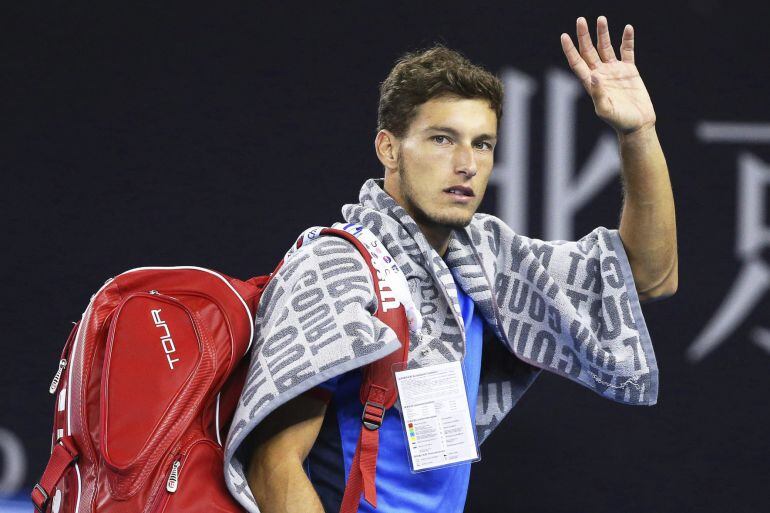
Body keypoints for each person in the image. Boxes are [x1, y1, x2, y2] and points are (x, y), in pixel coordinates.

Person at [225, 15, 677, 513]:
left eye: (482, 144)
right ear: (389, 148)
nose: (467, 163)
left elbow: (647, 277)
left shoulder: (486, 258)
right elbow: (274, 466)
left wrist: (639, 134)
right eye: (442, 139)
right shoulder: (334, 268)